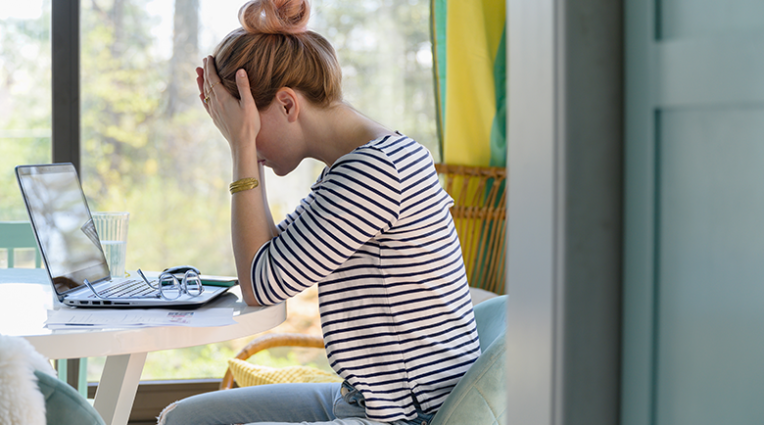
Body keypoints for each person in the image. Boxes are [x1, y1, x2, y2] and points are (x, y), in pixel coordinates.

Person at [157, 0, 481, 424]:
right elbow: (270, 260)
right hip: (364, 397)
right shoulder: (361, 164)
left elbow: (260, 285)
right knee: (185, 418)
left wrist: (241, 150)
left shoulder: (375, 172)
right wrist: (245, 141)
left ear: (288, 105)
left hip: (401, 416)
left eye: (247, 127)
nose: (249, 144)